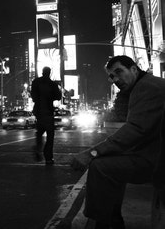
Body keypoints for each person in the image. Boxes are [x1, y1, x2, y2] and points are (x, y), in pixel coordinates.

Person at [71, 55, 165, 229]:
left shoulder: (148, 88)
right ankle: (111, 220)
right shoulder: (147, 85)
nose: (116, 79)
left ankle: (105, 223)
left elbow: (135, 131)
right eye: (112, 76)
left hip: (157, 161)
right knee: (112, 160)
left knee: (101, 167)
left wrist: (91, 153)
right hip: (155, 153)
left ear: (134, 69)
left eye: (119, 72)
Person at [31, 66, 61, 165]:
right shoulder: (52, 84)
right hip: (48, 112)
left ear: (42, 72)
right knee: (50, 136)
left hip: (39, 112)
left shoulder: (36, 82)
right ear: (49, 73)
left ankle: (38, 149)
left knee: (39, 133)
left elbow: (33, 96)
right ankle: (48, 157)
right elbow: (58, 96)